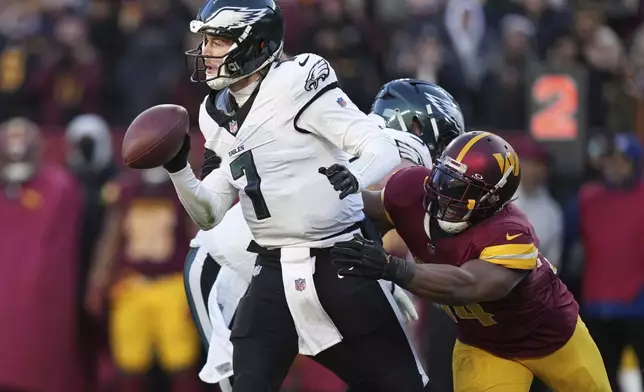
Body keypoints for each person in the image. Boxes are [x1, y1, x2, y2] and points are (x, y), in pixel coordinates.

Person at [161, 0, 438, 389]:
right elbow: (208, 214)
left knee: (401, 384)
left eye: (218, 40)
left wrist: (356, 175)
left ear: (257, 43)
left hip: (339, 260)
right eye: (205, 40)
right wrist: (177, 168)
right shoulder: (214, 109)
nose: (206, 51)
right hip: (270, 267)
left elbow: (376, 145)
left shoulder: (297, 79)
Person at [183, 78, 463, 390]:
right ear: (418, 125)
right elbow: (352, 207)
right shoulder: (401, 153)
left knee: (377, 374)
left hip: (292, 268)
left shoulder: (352, 131)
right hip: (230, 266)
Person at [331, 131, 612, 392]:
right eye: (444, 177)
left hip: (553, 338)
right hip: (485, 345)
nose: (443, 192)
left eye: (460, 188)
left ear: (490, 200)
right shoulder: (411, 189)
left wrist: (392, 267)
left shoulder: (510, 233)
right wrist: (340, 187)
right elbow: (365, 207)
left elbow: (466, 285)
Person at [85, 167, 201, 392]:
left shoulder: (183, 188)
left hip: (173, 284)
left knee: (181, 363)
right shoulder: (126, 189)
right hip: (132, 284)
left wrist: (199, 288)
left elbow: (197, 239)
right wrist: (98, 282)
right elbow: (111, 239)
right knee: (128, 364)